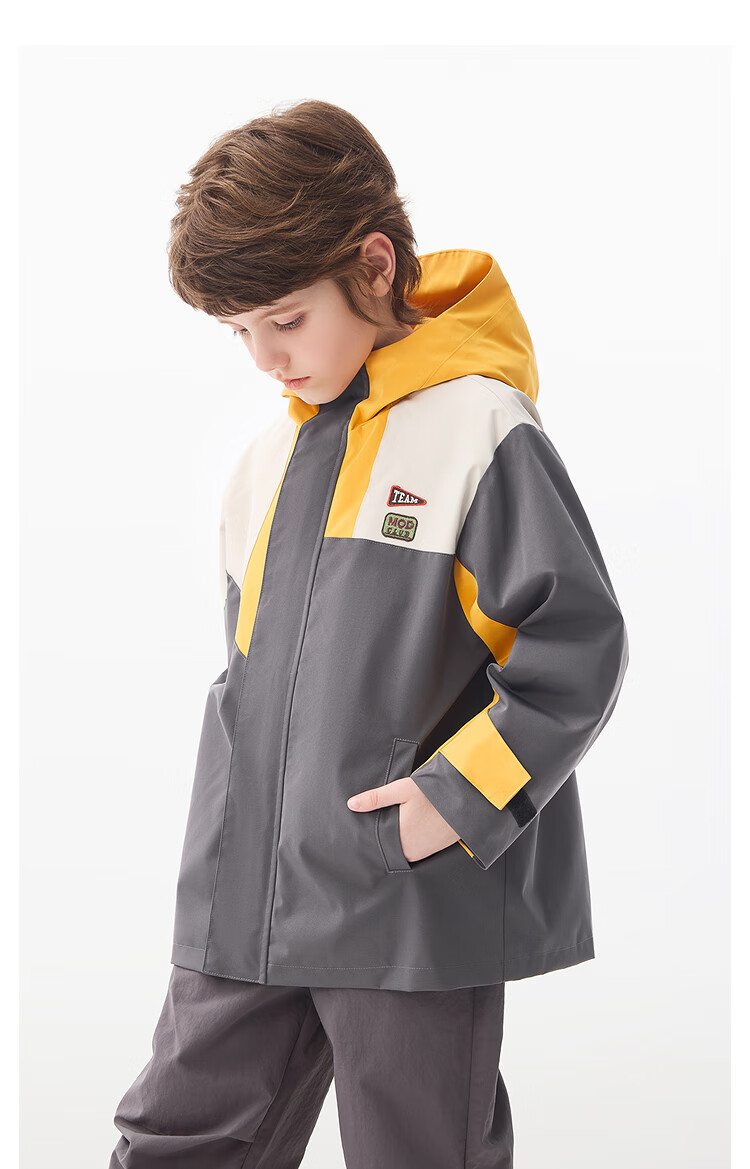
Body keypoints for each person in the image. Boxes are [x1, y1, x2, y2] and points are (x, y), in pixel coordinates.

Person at [108, 98, 629, 1169]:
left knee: (418, 1148)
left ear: (375, 265)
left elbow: (575, 644)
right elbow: (249, 682)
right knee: (172, 1138)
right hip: (246, 902)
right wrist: (223, 846)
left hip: (402, 901)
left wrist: (456, 798)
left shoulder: (478, 429)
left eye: (285, 319)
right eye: (240, 332)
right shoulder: (263, 464)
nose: (265, 357)